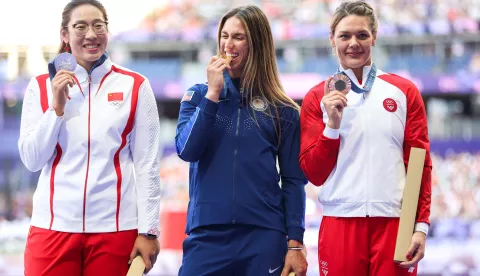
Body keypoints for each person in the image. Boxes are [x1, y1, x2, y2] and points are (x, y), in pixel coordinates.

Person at [18, 1, 161, 275]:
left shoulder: (136, 85)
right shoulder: (39, 86)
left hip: (115, 229)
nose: (91, 34)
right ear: (64, 34)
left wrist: (149, 230)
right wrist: (56, 109)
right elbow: (32, 160)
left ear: (107, 29)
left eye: (98, 25)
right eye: (80, 26)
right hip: (52, 228)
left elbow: (147, 165)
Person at [299, 1, 432, 275]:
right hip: (340, 222)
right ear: (332, 39)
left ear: (374, 36)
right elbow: (314, 173)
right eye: (344, 36)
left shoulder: (404, 91)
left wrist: (419, 226)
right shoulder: (316, 97)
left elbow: (419, 163)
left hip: (396, 223)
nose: (353, 43)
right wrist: (331, 126)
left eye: (362, 35)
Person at [175, 5, 308, 276]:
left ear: (257, 43)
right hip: (206, 235)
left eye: (239, 37)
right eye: (224, 36)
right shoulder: (198, 95)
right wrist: (213, 95)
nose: (228, 44)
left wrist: (295, 244)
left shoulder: (283, 110)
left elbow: (294, 181)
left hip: (263, 238)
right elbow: (187, 150)